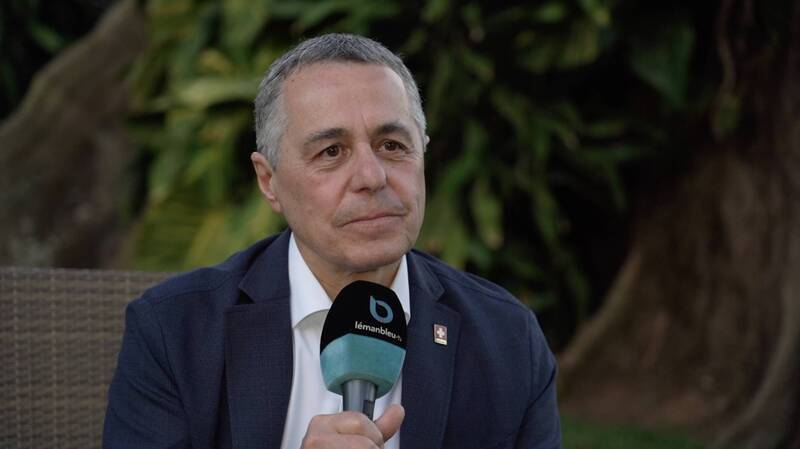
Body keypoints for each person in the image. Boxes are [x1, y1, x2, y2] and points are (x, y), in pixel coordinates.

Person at [103, 33, 562, 449]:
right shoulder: (176, 332)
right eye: (331, 152)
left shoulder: (507, 339)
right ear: (269, 181)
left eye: (392, 145)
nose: (372, 177)